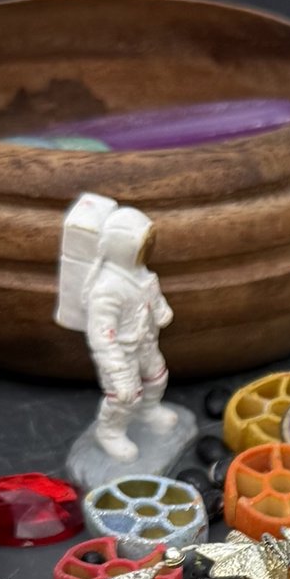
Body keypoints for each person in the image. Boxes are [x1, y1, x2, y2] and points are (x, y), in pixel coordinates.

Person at [56, 191, 172, 464]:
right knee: (124, 396)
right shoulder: (106, 289)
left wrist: (161, 310)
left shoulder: (141, 275)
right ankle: (110, 432)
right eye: (144, 243)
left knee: (157, 377)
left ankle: (149, 410)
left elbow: (151, 294)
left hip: (145, 342)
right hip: (121, 352)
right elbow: (102, 336)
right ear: (124, 247)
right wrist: (117, 371)